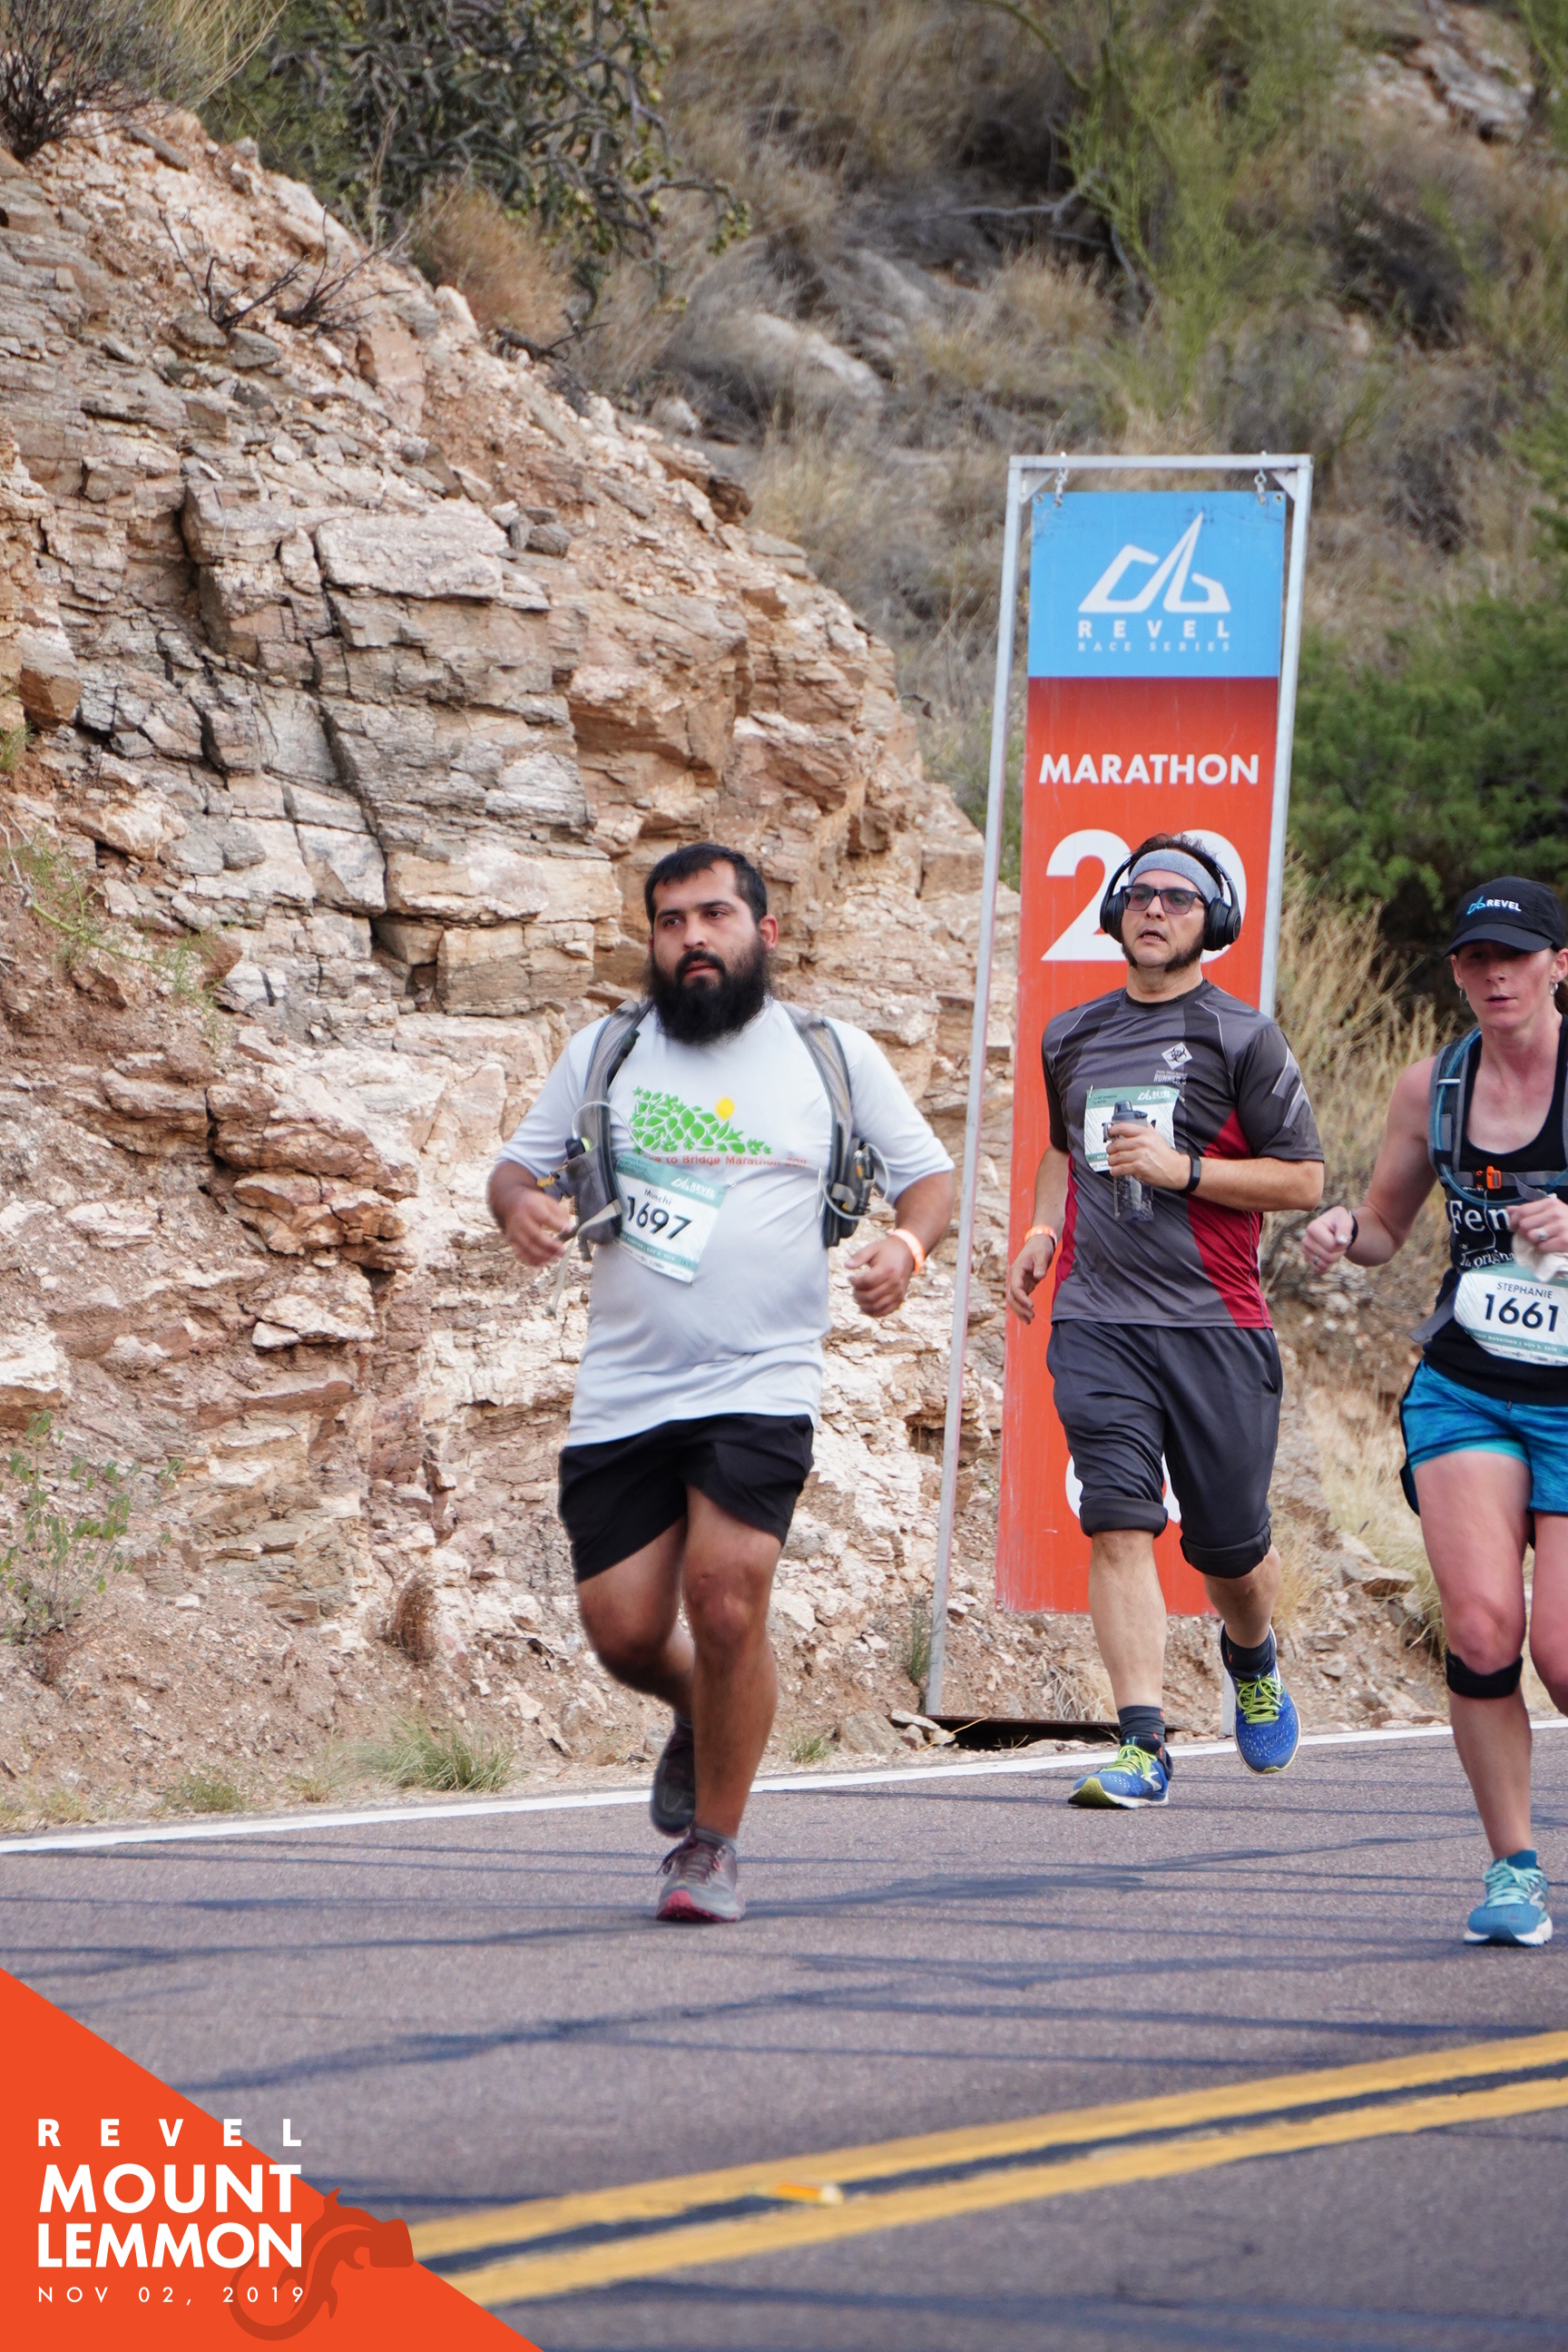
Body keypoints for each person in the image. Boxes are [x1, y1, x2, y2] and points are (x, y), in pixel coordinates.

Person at [488, 842, 955, 1922]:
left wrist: (907, 1247)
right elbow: (516, 1167)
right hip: (625, 1386)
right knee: (624, 1631)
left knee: (728, 1595)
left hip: (762, 1375)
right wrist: (518, 1205)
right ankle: (702, 1708)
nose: (692, 937)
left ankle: (712, 1846)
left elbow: (927, 1175)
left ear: (764, 932)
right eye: (671, 922)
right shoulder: (607, 1051)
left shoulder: (828, 1053)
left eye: (714, 916)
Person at [1006, 833, 1325, 1808]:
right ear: (1114, 913)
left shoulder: (1243, 1037)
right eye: (1139, 894)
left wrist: (1185, 1171)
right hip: (1098, 1320)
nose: (1154, 908)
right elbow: (1061, 1150)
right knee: (1117, 1520)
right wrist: (1043, 1229)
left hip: (1215, 1325)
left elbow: (1303, 1181)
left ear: (1212, 922)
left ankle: (1253, 1656)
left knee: (1230, 1552)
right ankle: (1142, 1744)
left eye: (1179, 898)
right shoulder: (1071, 1035)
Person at [1302, 877, 1568, 1948]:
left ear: (1559, 965)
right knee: (1483, 1625)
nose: (1496, 975)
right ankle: (1514, 1869)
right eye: (1476, 959)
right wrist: (1342, 1235)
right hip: (1469, 1381)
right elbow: (1385, 1227)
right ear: (1457, 972)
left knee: (1564, 1654)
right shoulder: (1433, 1088)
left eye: (1517, 956)